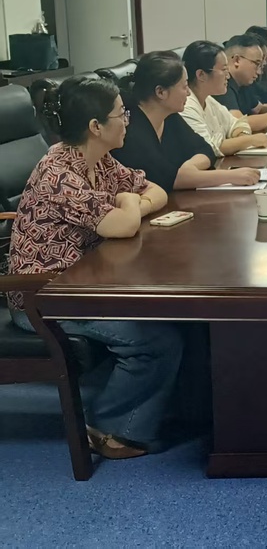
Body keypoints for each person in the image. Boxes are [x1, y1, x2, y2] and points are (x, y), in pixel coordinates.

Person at [6, 75, 177, 459]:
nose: (127, 121)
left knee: (174, 318)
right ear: (96, 126)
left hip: (86, 284)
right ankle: (109, 428)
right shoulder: (60, 173)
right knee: (155, 341)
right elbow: (122, 225)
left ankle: (159, 412)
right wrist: (130, 204)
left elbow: (156, 191)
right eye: (121, 114)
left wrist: (133, 203)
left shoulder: (98, 160)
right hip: (44, 296)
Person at [113, 50, 261, 191]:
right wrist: (231, 176)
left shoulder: (169, 116)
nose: (189, 93)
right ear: (161, 92)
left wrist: (190, 167)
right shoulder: (130, 127)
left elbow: (205, 148)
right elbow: (168, 179)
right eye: (184, 87)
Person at [180, 40, 267, 157]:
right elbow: (208, 148)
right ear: (201, 75)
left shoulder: (208, 100)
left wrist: (241, 136)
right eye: (223, 70)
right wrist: (250, 140)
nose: (228, 76)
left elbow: (237, 123)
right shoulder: (186, 106)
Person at [213, 34, 267, 133]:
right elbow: (238, 123)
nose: (259, 72)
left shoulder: (243, 82)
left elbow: (258, 109)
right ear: (237, 60)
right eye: (257, 64)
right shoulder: (222, 83)